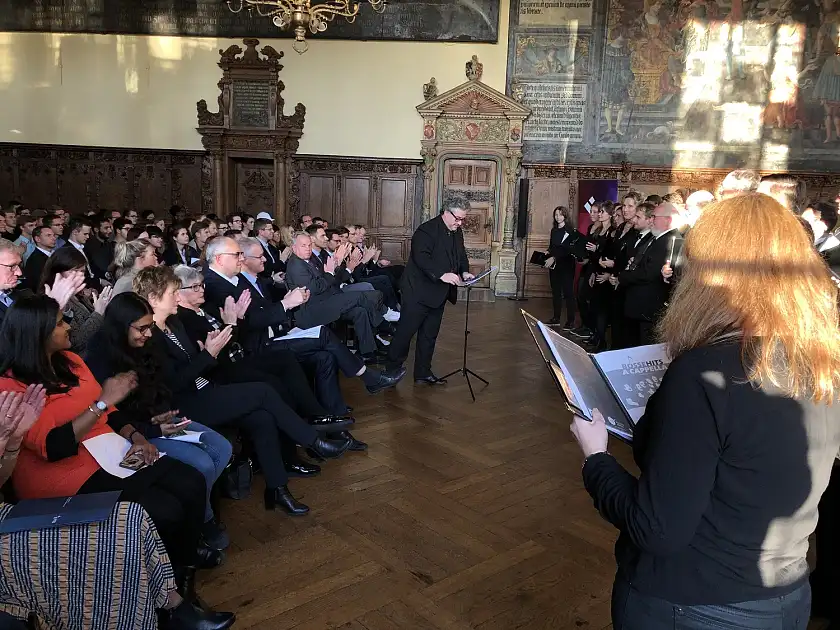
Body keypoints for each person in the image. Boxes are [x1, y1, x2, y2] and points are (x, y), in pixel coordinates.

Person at [570, 193, 840, 629]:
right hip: (786, 595)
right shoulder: (823, 358)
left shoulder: (706, 373)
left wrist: (596, 458)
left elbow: (656, 528)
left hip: (695, 602)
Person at [0, 294, 231, 594]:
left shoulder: (70, 361)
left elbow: (111, 411)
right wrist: (100, 403)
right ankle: (169, 592)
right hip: (64, 474)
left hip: (109, 451)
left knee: (190, 480)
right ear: (39, 334)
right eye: (59, 323)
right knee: (165, 509)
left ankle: (183, 569)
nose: (68, 326)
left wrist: (135, 437)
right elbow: (54, 447)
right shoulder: (11, 385)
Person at [131, 266, 352, 515]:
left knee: (263, 418)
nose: (176, 297)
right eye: (173, 292)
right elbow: (173, 384)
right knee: (263, 392)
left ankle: (278, 490)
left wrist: (211, 350)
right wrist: (208, 354)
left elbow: (198, 365)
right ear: (152, 298)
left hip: (203, 390)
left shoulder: (173, 323)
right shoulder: (150, 336)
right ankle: (314, 441)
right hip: (183, 404)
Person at [86, 293, 234, 551]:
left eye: (150, 326)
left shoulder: (148, 346)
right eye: (141, 328)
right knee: (202, 464)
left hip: (159, 418)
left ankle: (199, 514)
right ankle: (204, 522)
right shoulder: (99, 358)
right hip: (132, 433)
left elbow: (163, 385)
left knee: (221, 448)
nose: (148, 333)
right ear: (121, 326)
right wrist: (152, 427)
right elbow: (111, 416)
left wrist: (164, 413)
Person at [385, 194, 473, 385]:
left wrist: (464, 271)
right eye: (457, 218)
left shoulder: (456, 231)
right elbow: (421, 257)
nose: (460, 223)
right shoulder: (426, 231)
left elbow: (460, 254)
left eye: (462, 219)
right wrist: (442, 274)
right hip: (417, 291)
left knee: (429, 334)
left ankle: (423, 373)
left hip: (438, 293)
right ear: (445, 212)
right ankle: (391, 372)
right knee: (405, 333)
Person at [37, 246, 113, 356]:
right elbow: (74, 342)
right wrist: (98, 313)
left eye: (82, 271)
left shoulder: (78, 294)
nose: (80, 276)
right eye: (74, 271)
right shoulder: (51, 299)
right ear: (57, 271)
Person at [544, 206, 578, 329]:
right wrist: (548, 252)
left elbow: (568, 249)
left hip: (567, 265)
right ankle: (556, 318)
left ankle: (570, 320)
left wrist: (554, 257)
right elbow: (552, 246)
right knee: (556, 292)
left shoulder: (570, 230)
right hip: (554, 266)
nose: (558, 217)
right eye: (556, 215)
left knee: (568, 292)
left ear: (565, 216)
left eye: (560, 214)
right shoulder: (554, 230)